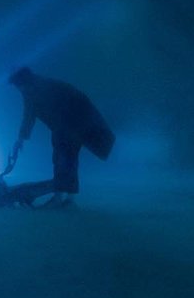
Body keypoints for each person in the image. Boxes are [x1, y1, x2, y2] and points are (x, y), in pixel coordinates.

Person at [7, 66, 115, 208]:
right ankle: (69, 199)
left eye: (17, 85)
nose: (18, 89)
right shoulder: (32, 88)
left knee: (63, 160)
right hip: (70, 127)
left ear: (23, 81)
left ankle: (60, 198)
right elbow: (29, 115)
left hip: (71, 126)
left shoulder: (41, 88)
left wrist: (65, 131)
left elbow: (33, 114)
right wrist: (21, 139)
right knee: (67, 161)